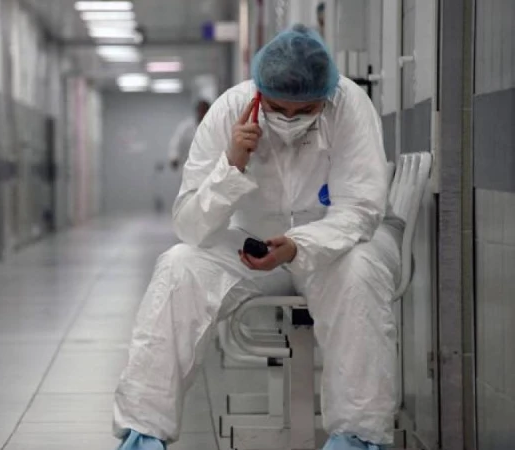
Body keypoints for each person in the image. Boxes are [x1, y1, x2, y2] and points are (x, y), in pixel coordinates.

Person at [113, 24, 403, 450]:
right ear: (258, 92)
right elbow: (191, 226)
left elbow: (359, 209)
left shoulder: (349, 105)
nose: (289, 120)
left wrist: (300, 245)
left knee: (360, 270)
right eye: (277, 108)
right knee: (179, 266)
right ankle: (143, 434)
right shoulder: (229, 110)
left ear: (325, 97)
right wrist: (230, 167)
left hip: (337, 250)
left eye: (304, 110)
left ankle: (358, 438)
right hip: (255, 249)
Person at [168, 100, 211, 171]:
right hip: (187, 166)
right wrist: (174, 157)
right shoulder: (186, 127)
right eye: (201, 110)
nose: (202, 113)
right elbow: (175, 142)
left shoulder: (214, 127)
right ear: (197, 111)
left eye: (205, 111)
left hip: (207, 167)